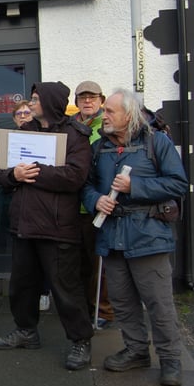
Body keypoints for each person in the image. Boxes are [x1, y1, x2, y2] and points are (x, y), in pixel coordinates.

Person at [82, 89, 188, 386]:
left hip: (149, 236)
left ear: (129, 116)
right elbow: (87, 186)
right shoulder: (99, 147)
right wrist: (96, 201)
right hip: (112, 236)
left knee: (159, 303)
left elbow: (178, 183)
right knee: (123, 302)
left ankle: (171, 360)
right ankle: (136, 350)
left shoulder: (157, 142)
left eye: (110, 112)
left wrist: (134, 186)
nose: (104, 116)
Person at [0, 82, 95, 371]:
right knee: (22, 286)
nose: (30, 105)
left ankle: (80, 340)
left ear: (49, 102)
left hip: (58, 227)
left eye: (35, 100)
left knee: (67, 289)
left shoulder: (75, 136)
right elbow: (1, 174)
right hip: (24, 225)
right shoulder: (24, 131)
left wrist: (32, 171)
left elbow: (75, 177)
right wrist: (14, 174)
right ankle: (26, 331)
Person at [72, 81, 114, 328]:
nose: (87, 101)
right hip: (71, 205)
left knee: (100, 263)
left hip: (98, 203)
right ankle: (84, 308)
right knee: (78, 264)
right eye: (82, 97)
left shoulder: (106, 126)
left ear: (101, 100)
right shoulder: (70, 126)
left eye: (92, 97)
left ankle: (104, 311)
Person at [11, 101, 52, 313]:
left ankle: (44, 291)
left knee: (42, 254)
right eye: (19, 113)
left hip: (40, 207)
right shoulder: (10, 141)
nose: (23, 116)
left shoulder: (42, 137)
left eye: (27, 112)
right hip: (16, 205)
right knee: (23, 260)